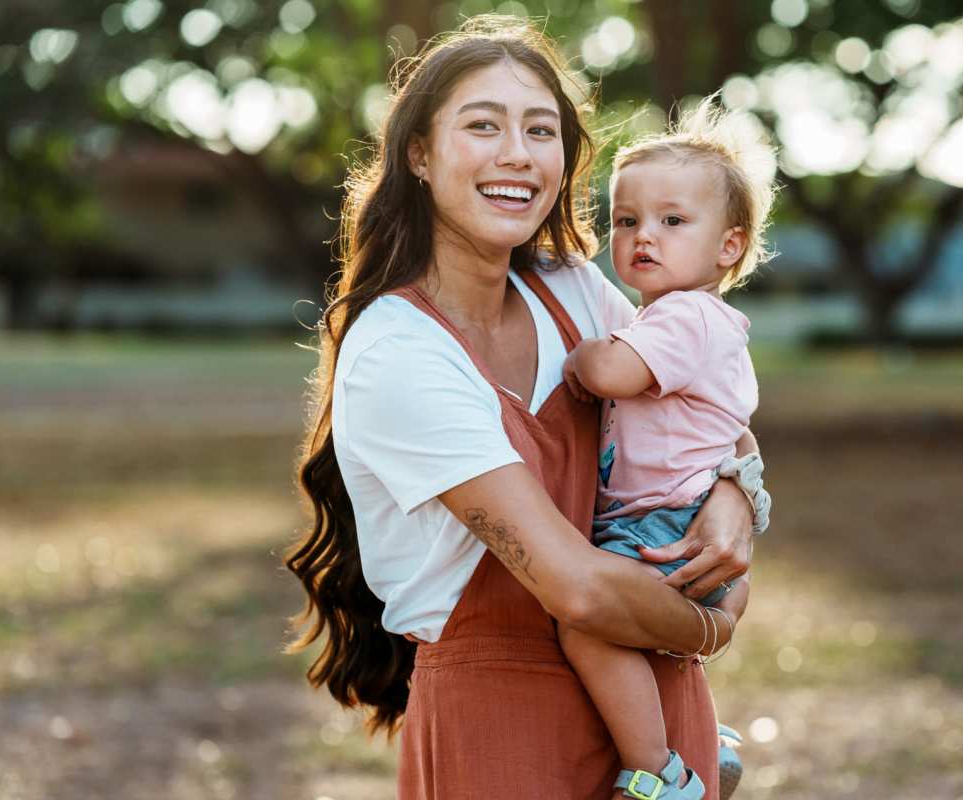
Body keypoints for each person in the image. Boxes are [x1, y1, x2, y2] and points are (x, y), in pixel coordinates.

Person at [283, 16, 762, 799]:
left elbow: (703, 399)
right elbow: (577, 590)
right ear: (420, 154)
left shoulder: (572, 289)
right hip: (505, 727)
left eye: (541, 130)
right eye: (483, 126)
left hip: (650, 699)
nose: (517, 153)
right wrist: (715, 623)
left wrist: (741, 493)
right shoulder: (399, 352)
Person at [557, 97, 776, 799]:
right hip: (669, 516)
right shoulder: (680, 317)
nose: (643, 236)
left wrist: (582, 356)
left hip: (663, 523)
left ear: (729, 246)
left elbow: (610, 373)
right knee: (638, 637)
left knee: (588, 629)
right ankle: (703, 740)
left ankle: (662, 772)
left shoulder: (684, 317)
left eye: (672, 221)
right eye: (626, 221)